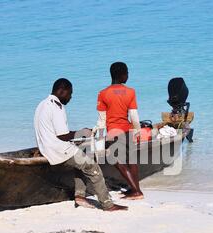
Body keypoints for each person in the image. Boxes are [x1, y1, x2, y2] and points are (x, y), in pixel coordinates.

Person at [34, 78, 127, 212]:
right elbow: (62, 135)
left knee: (82, 157)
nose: (70, 97)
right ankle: (108, 204)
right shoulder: (57, 106)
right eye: (69, 93)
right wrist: (82, 133)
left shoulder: (42, 104)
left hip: (46, 148)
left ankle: (80, 196)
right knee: (93, 168)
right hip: (58, 150)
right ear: (61, 91)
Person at [96, 62, 144, 200]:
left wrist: (99, 137)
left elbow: (101, 120)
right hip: (127, 130)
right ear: (122, 75)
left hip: (113, 132)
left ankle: (135, 190)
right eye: (127, 72)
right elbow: (134, 116)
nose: (128, 75)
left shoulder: (102, 93)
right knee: (131, 160)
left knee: (115, 160)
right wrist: (138, 130)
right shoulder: (130, 92)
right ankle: (136, 189)